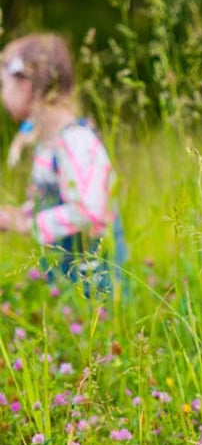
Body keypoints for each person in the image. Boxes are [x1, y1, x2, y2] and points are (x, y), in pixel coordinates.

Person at [0, 33, 126, 298]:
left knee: (96, 335)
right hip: (66, 275)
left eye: (3, 85)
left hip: (93, 278)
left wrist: (30, 225)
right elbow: (56, 201)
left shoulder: (74, 141)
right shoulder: (50, 142)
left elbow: (90, 210)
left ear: (25, 87)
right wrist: (18, 215)